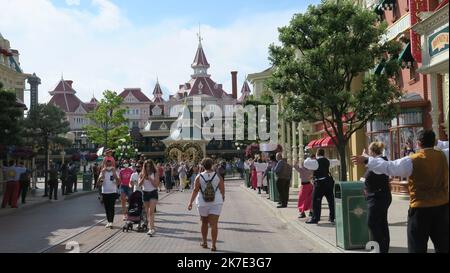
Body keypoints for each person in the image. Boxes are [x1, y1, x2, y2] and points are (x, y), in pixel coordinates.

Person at [352, 130, 449, 253]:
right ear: (434, 141)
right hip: (442, 207)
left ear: (418, 143)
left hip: (420, 209)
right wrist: (439, 143)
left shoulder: (412, 160)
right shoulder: (444, 156)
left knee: (417, 246)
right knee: (444, 246)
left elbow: (389, 167)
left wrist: (367, 160)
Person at [188, 158, 225, 252]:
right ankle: (213, 245)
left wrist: (190, 202)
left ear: (203, 166)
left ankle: (204, 242)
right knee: (214, 225)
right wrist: (222, 197)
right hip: (216, 202)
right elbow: (222, 188)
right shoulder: (218, 176)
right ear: (212, 165)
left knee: (204, 222)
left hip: (202, 202)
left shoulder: (199, 176)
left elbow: (195, 190)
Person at [361, 142, 392, 253]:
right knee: (382, 222)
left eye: (370, 152)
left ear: (373, 152)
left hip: (378, 197)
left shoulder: (380, 162)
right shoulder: (379, 161)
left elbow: (372, 172)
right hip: (379, 196)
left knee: (372, 222)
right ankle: (382, 248)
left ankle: (381, 247)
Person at [304, 149, 338, 224]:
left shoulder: (316, 162)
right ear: (324, 154)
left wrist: (309, 158)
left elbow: (305, 163)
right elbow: (336, 161)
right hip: (328, 182)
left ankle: (315, 218)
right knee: (331, 200)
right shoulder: (327, 161)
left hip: (319, 184)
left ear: (317, 154)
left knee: (316, 201)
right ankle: (332, 217)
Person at [139, 160, 160, 236]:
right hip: (145, 193)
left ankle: (152, 228)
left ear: (152, 166)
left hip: (153, 193)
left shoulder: (155, 173)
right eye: (146, 166)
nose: (148, 168)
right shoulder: (142, 174)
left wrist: (150, 179)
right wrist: (144, 177)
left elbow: (156, 185)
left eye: (149, 166)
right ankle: (150, 227)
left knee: (151, 211)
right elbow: (139, 184)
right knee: (147, 212)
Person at [98, 159, 120, 228]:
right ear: (105, 165)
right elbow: (98, 184)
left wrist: (115, 175)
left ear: (112, 164)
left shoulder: (115, 171)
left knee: (111, 207)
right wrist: (101, 176)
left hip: (113, 192)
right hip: (105, 192)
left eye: (110, 164)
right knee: (106, 208)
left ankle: (111, 222)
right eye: (107, 165)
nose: (108, 166)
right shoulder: (103, 171)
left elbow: (119, 182)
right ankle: (108, 221)